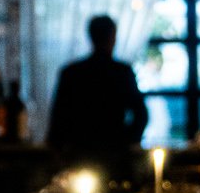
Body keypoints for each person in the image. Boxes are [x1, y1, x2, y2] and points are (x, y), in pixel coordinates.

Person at [47, 15, 148, 182]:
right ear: (113, 37)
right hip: (115, 155)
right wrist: (127, 141)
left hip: (80, 153)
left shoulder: (72, 73)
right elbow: (141, 114)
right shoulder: (122, 72)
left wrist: (59, 150)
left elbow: (58, 118)